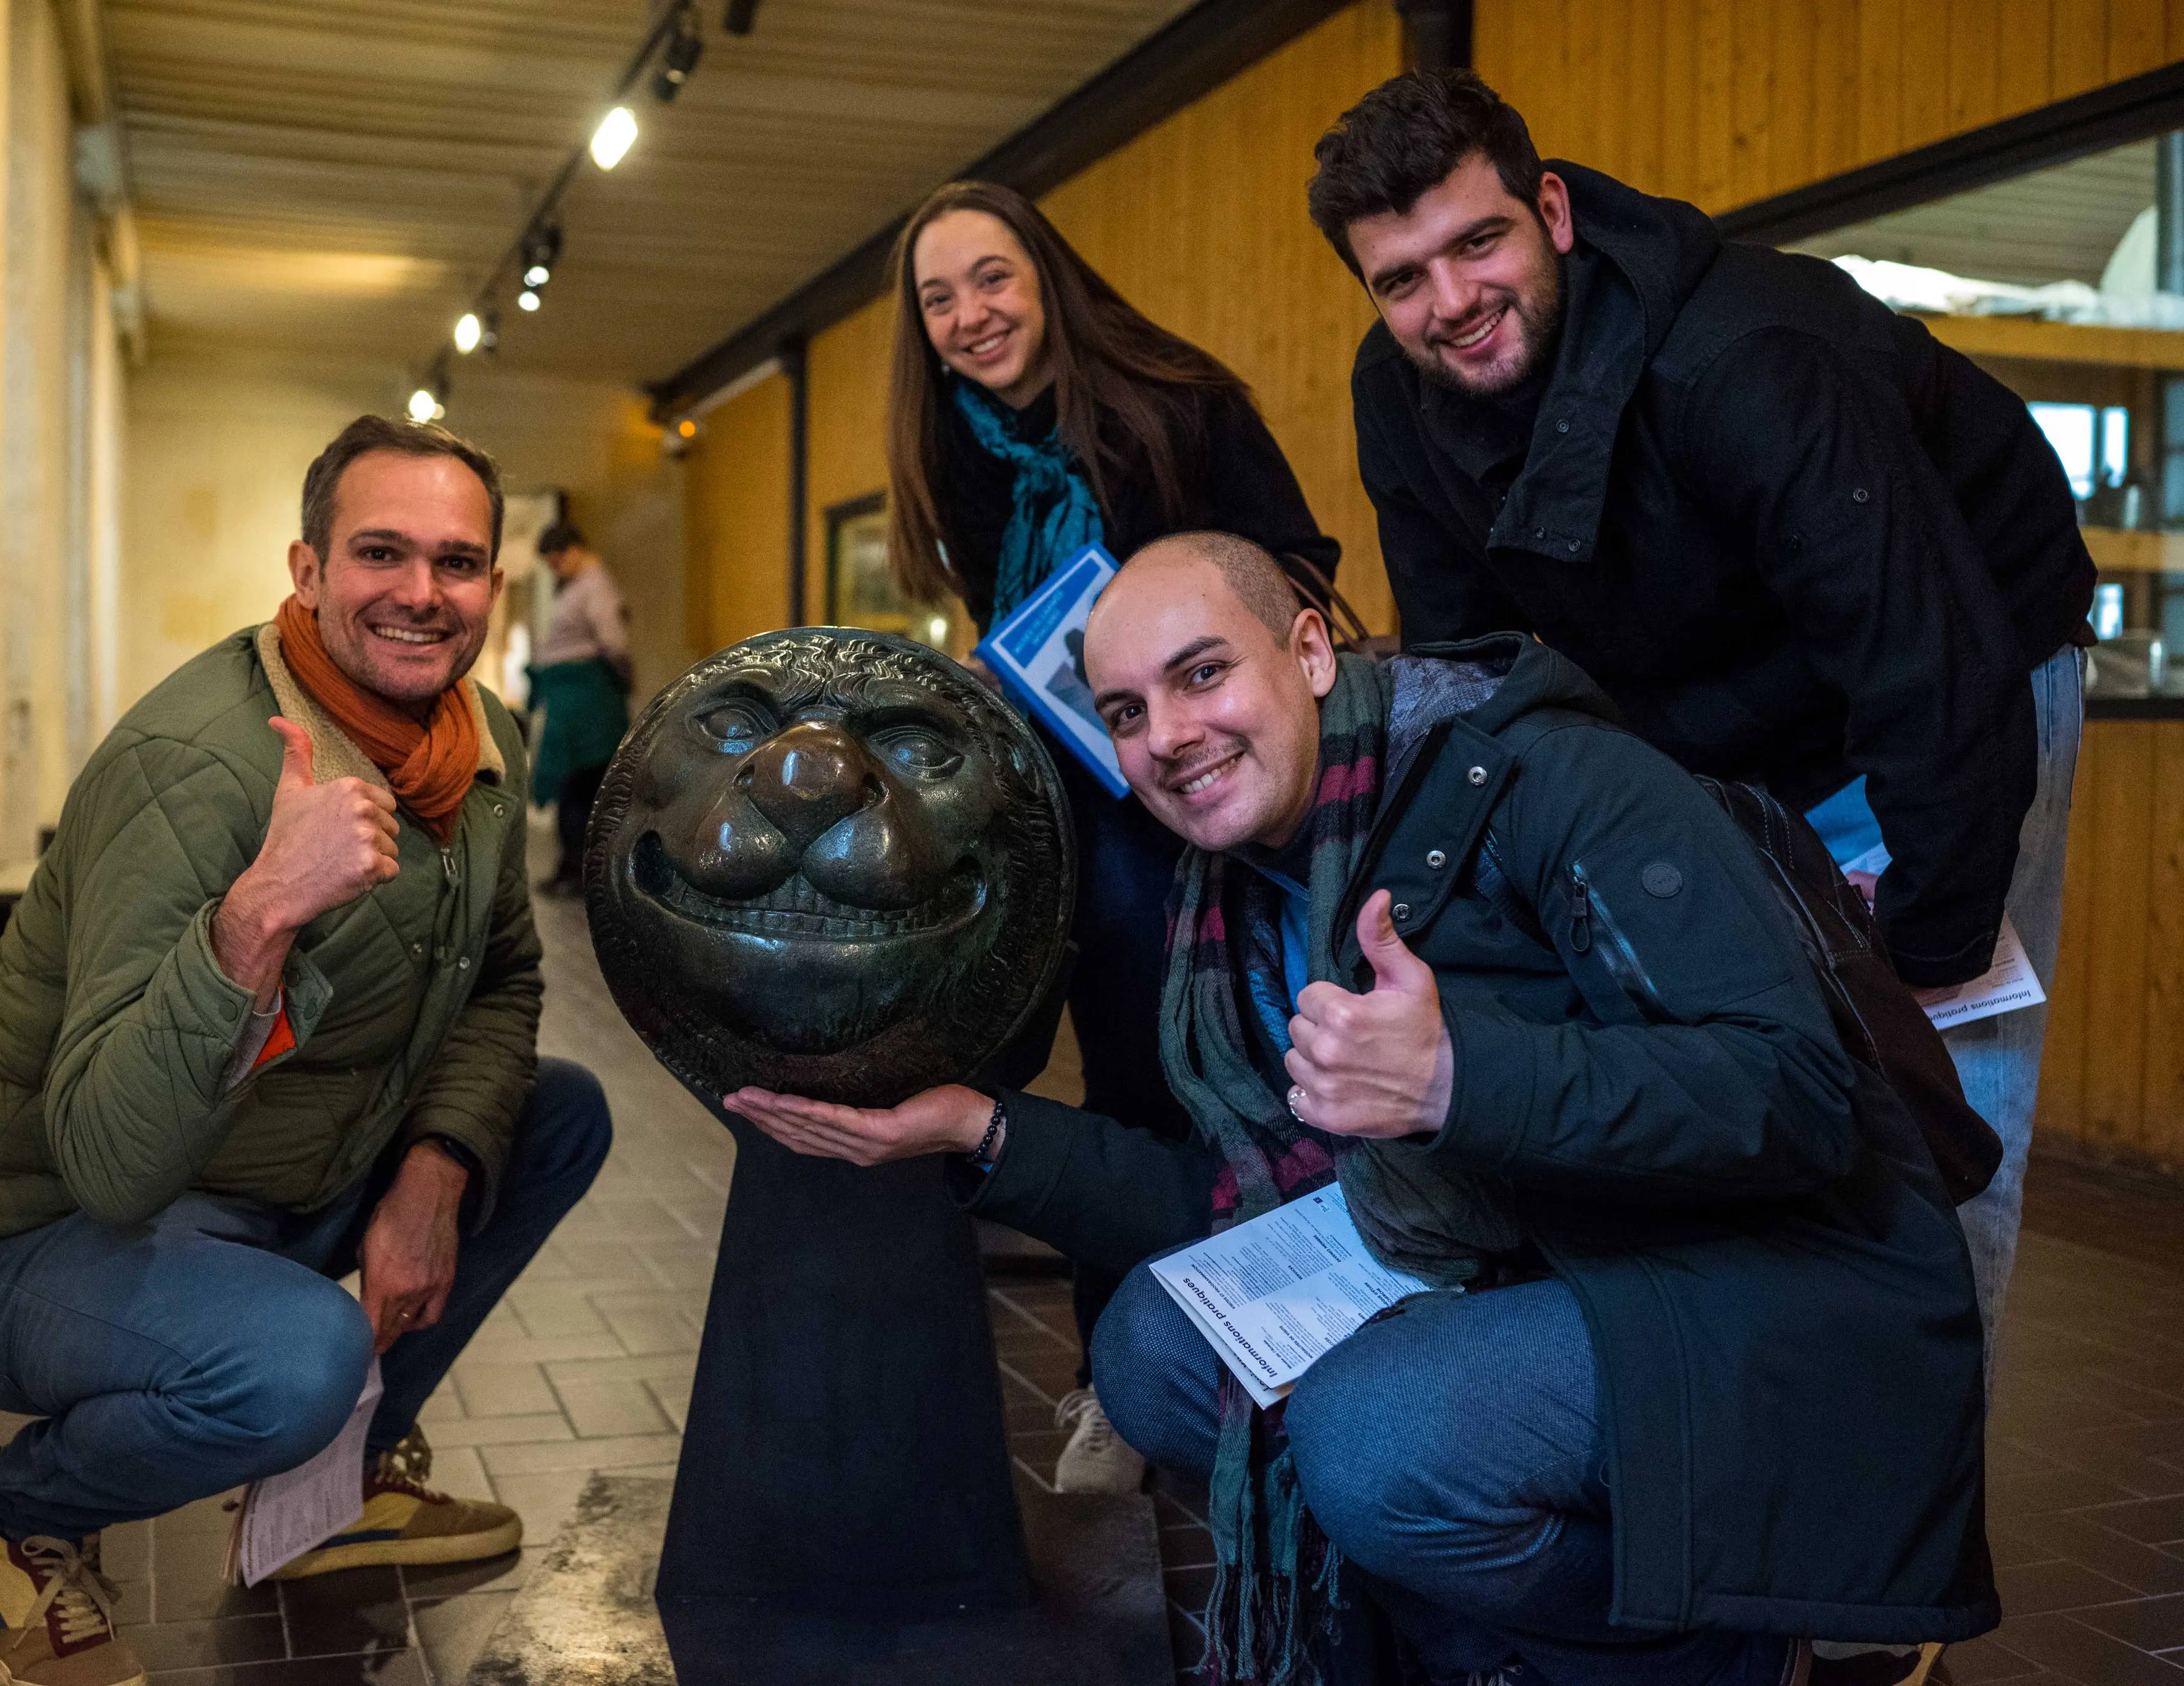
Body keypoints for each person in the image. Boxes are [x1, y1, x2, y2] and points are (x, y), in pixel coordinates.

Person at [725, 533, 1993, 1686]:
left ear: (1311, 649)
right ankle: (1487, 1648)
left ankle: (1719, 1656)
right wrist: (976, 1130)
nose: (1167, 733)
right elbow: (1230, 1199)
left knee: (1378, 1436)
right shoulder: (1231, 889)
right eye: (1123, 710)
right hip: (1531, 1250)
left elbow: (1792, 1094)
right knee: (1157, 1355)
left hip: (1763, 1283)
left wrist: (1457, 1079)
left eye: (1201, 673)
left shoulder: (1549, 781)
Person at [1314, 70, 2095, 1379]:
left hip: (1961, 660)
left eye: (1477, 241)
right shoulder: (1395, 398)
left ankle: (1918, 1447)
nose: (1447, 304)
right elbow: (1464, 668)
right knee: (1745, 1041)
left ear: (1550, 210)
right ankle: (1768, 1385)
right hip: (1710, 698)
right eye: (1399, 280)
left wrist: (1926, 935)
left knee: (1935, 1079)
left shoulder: (1748, 353)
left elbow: (1926, 661)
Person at [0, 416, 612, 1686]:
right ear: (304, 569)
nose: (417, 593)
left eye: (455, 562)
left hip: (263, 1182)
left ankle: (330, 1491)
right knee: (296, 1357)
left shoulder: (481, 745)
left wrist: (432, 1176)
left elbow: (501, 977)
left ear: (493, 590)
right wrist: (257, 914)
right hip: (28, 1234)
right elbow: (111, 1161)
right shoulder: (192, 764)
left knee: (552, 1115)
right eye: (378, 553)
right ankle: (26, 1517)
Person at [884, 178, 1343, 1492]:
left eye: (990, 278)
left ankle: (1281, 1350)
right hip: (1077, 817)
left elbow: (1296, 568)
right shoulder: (956, 453)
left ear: (1045, 274)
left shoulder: (1175, 401)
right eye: (938, 298)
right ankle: (1117, 1372)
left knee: (1247, 1067)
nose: (969, 315)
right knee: (1117, 1087)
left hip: (1226, 804)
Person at [528, 518, 632, 897]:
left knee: (584, 787)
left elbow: (614, 643)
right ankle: (572, 866)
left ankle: (582, 871)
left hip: (587, 699)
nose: (554, 569)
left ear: (573, 551)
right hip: (571, 696)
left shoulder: (595, 584)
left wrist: (623, 679)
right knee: (574, 787)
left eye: (556, 561)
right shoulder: (575, 587)